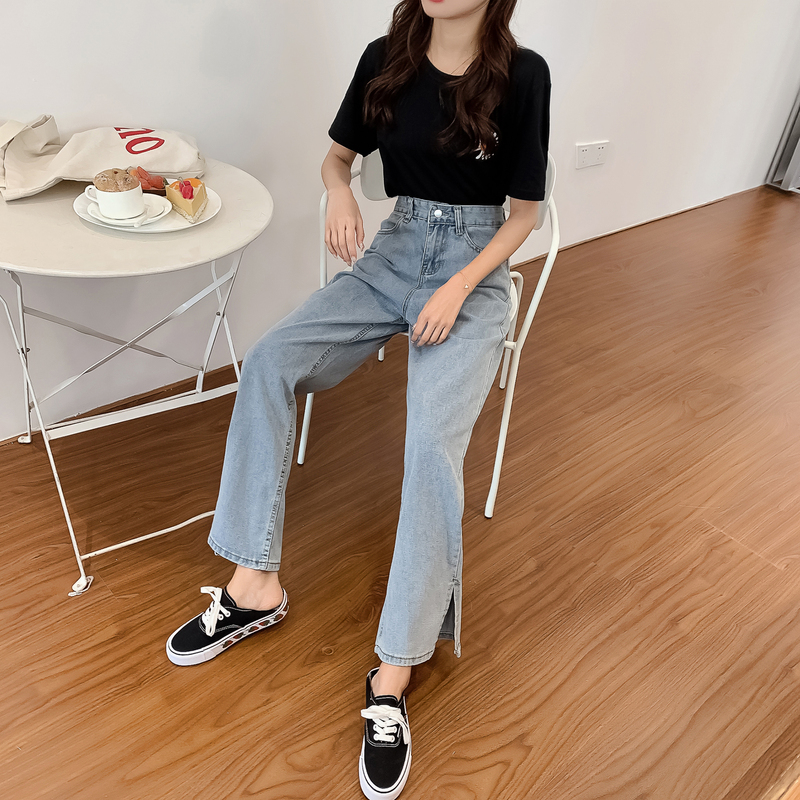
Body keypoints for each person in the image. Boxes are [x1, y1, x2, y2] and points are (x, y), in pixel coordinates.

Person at [165, 1, 550, 797]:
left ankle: (394, 673)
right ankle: (253, 585)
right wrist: (340, 190)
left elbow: (526, 215)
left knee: (430, 446)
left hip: (474, 274)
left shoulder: (523, 75)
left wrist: (460, 286)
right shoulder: (387, 57)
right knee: (268, 362)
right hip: (393, 252)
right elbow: (337, 159)